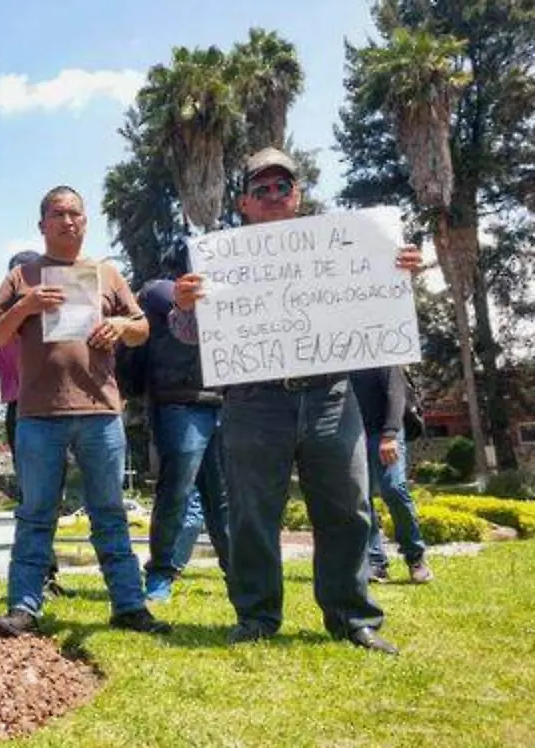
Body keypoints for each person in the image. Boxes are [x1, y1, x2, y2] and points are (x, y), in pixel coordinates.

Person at [171, 147, 425, 654]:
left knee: (349, 510)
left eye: (281, 187)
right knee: (250, 514)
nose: (271, 197)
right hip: (252, 404)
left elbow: (375, 307)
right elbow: (188, 335)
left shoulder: (341, 248)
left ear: (298, 196)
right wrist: (185, 307)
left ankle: (353, 617)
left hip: (331, 396)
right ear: (243, 202)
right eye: (260, 189)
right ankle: (257, 617)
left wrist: (397, 273)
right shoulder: (220, 260)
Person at [0, 185, 169, 638]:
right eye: (58, 214)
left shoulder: (107, 273)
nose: (68, 222)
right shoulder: (23, 275)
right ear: (42, 224)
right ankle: (25, 606)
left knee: (109, 512)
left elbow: (142, 327)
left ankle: (129, 605)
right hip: (38, 415)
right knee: (36, 514)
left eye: (76, 215)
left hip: (101, 411)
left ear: (86, 222)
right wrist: (26, 305)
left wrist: (121, 326)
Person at [138, 276, 231, 602]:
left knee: (222, 495)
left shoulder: (215, 296)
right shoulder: (159, 295)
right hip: (180, 403)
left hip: (217, 402)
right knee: (178, 492)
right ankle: (161, 571)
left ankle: (237, 572)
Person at [0, 250, 68, 597]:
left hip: (44, 408)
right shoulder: (10, 320)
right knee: (36, 497)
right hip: (27, 409)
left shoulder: (34, 316)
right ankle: (41, 576)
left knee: (41, 495)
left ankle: (44, 574)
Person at [349, 366, 433, 584]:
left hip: (385, 432)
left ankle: (416, 557)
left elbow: (396, 395)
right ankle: (376, 563)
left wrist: (390, 434)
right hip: (353, 436)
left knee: (393, 487)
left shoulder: (381, 354)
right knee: (360, 498)